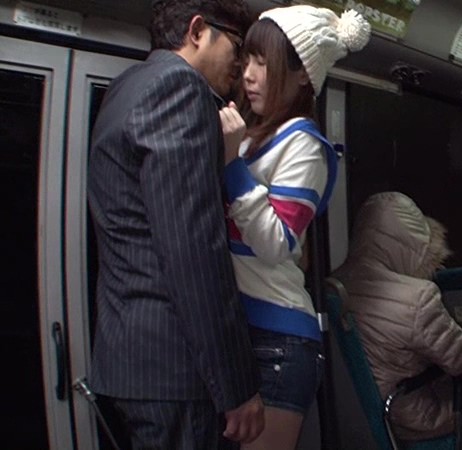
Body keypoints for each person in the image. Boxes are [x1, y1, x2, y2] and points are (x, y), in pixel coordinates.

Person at [86, 1, 264, 448]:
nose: (240, 65)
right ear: (197, 31)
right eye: (236, 46)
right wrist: (236, 385)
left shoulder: (126, 86)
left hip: (131, 359)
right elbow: (194, 251)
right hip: (175, 367)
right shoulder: (181, 88)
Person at [219, 5, 370, 450]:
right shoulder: (251, 136)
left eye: (263, 63)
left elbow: (277, 243)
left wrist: (231, 167)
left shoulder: (304, 144)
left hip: (278, 337)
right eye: (247, 59)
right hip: (243, 328)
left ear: (302, 74)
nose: (248, 74)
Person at [331, 192, 462, 449]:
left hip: (359, 416)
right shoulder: (416, 296)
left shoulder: (333, 287)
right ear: (411, 244)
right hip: (413, 417)